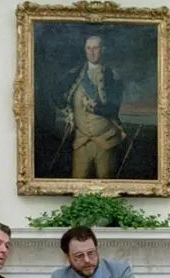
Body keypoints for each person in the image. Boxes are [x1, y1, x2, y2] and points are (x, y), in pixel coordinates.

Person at [59, 35, 125, 179]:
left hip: (106, 141)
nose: (91, 52)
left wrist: (93, 108)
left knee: (106, 183)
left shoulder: (113, 76)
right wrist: (68, 113)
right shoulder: (75, 74)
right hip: (81, 141)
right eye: (88, 48)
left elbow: (113, 108)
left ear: (103, 50)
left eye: (95, 48)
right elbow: (56, 94)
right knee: (77, 182)